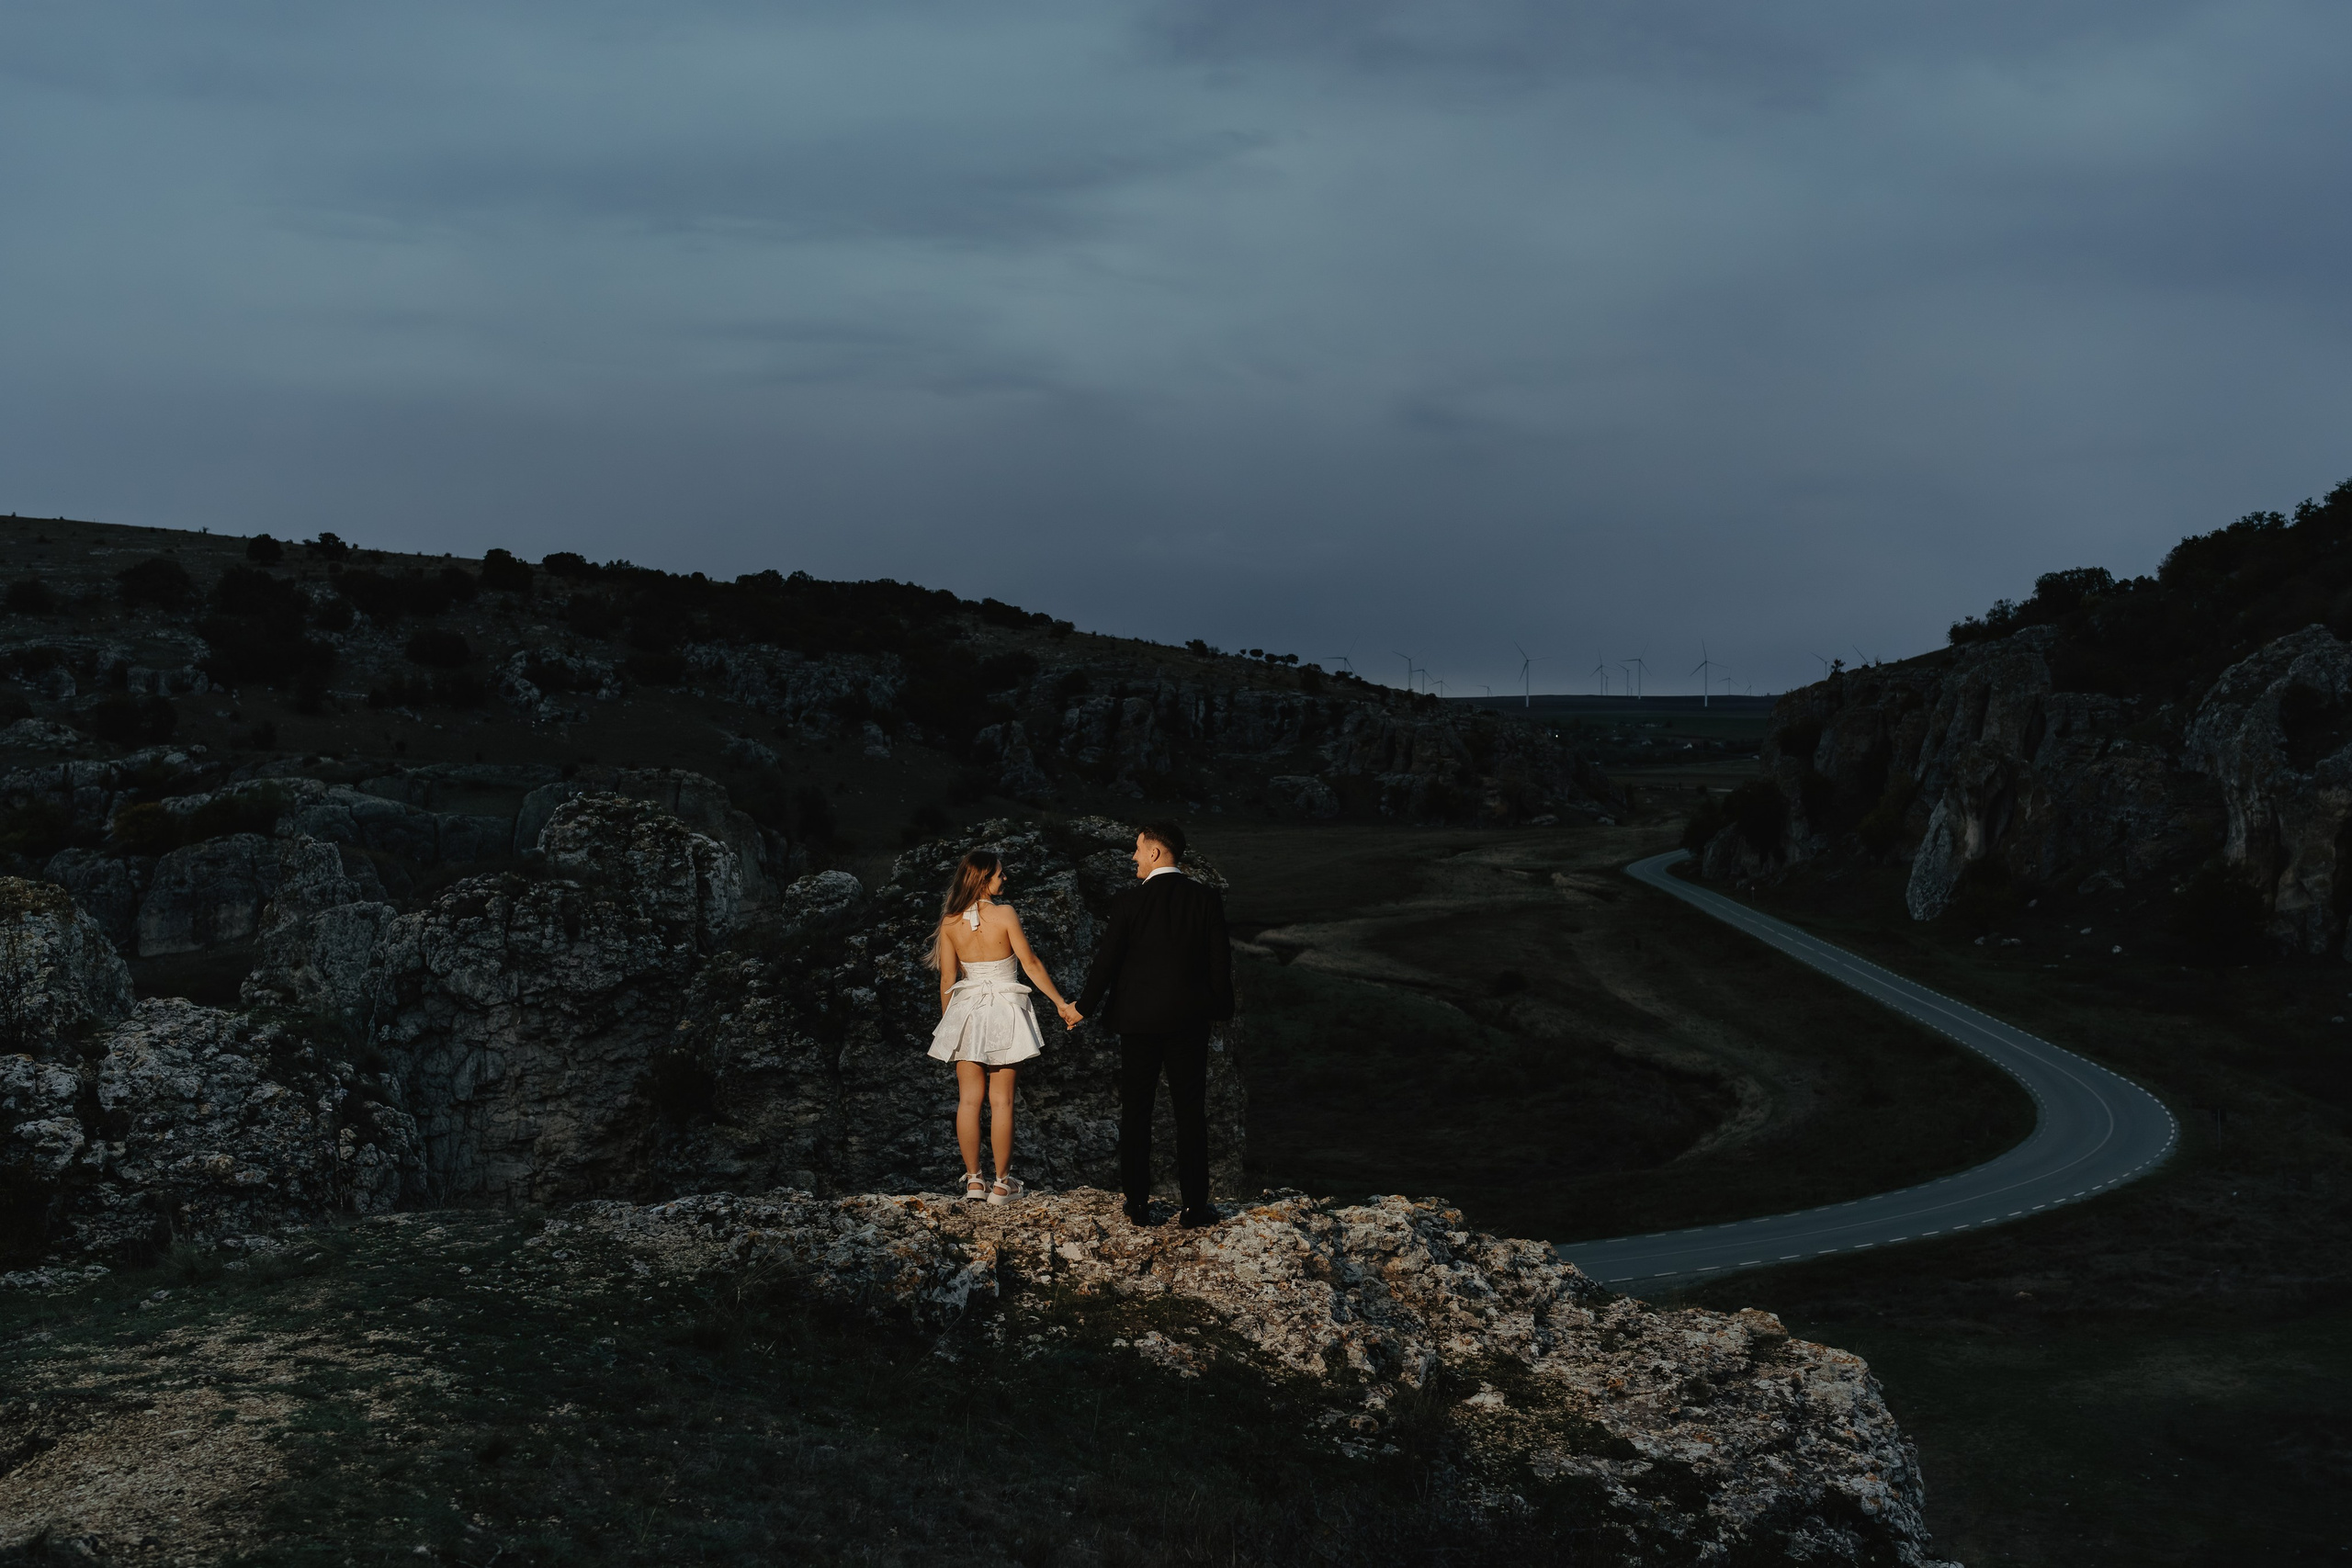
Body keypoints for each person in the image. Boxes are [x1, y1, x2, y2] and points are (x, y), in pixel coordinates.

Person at [1073, 820, 1234, 1229]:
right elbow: (1220, 962)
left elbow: (1106, 961)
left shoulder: (1129, 902)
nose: (1133, 857)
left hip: (1138, 1021)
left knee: (1137, 1111)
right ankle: (1195, 1208)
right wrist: (1219, 1009)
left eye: (1138, 849)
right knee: (1190, 1113)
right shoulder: (1205, 899)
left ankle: (1138, 1204)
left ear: (1156, 853)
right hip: (1189, 1021)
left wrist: (1083, 1008)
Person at [929, 850, 1081, 1204]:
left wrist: (949, 1025)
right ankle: (1002, 1183)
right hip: (1004, 1010)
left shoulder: (949, 922)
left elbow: (948, 980)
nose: (1005, 879)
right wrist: (1061, 1004)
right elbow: (1029, 962)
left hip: (965, 1008)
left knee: (968, 1100)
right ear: (984, 879)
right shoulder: (1006, 914)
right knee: (1002, 1101)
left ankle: (973, 1181)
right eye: (1000, 874)